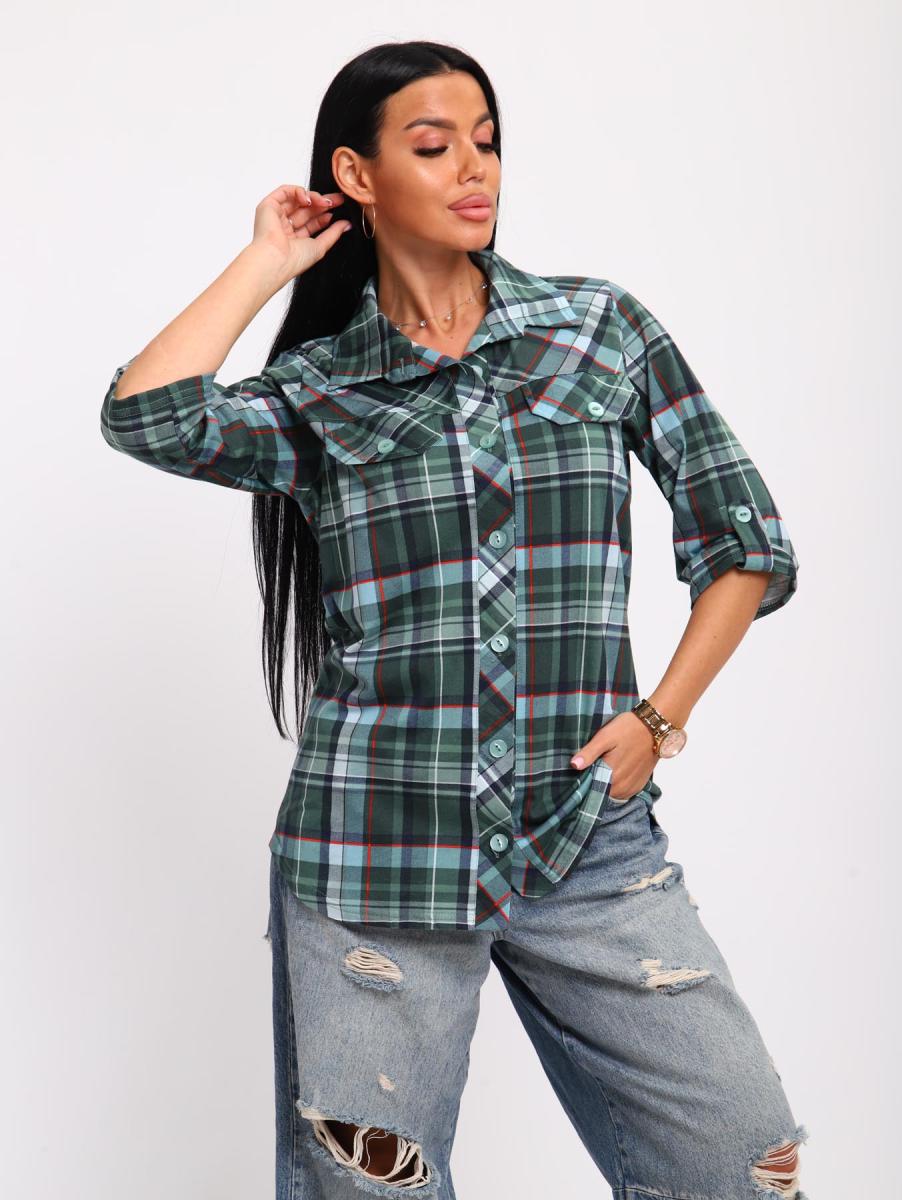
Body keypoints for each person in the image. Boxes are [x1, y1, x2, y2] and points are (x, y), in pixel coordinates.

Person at [99, 38, 809, 1200]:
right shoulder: (320, 389)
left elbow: (745, 542)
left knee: (742, 1159)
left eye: (486, 142)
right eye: (433, 147)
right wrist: (268, 257)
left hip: (584, 835)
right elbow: (148, 417)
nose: (475, 169)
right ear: (359, 175)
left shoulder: (596, 330)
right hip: (373, 851)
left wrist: (655, 719)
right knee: (371, 1187)